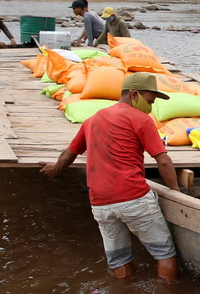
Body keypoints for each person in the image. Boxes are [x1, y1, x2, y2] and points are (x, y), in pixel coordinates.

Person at [40, 72, 180, 283]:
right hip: (133, 198)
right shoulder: (141, 120)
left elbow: (70, 152)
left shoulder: (92, 120)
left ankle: (125, 287)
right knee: (164, 253)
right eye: (149, 101)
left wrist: (56, 169)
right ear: (134, 95)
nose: (150, 107)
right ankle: (169, 287)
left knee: (119, 259)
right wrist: (176, 192)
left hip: (100, 203)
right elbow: (163, 161)